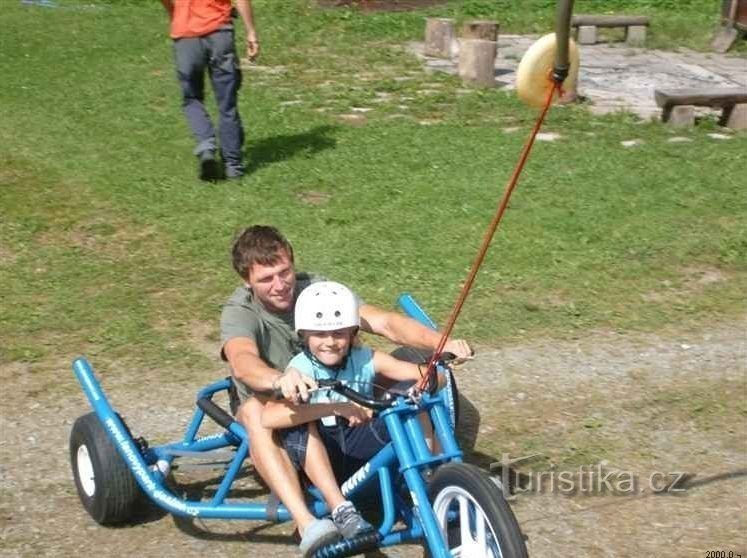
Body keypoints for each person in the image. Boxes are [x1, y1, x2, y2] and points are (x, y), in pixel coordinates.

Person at [220, 225, 472, 556]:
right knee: (256, 411)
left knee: (414, 383)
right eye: (266, 279)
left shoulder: (316, 292)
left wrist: (442, 345)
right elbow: (242, 359)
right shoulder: (241, 310)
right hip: (273, 397)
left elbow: (383, 323)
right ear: (247, 282)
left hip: (338, 382)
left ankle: (433, 479)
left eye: (285, 272)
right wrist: (279, 380)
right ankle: (308, 523)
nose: (280, 285)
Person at [261, 281, 440, 552]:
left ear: (352, 333)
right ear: (305, 335)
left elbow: (418, 373)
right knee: (298, 423)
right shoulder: (298, 369)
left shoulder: (365, 358)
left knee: (414, 405)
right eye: (320, 335)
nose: (330, 342)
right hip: (323, 456)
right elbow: (269, 418)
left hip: (359, 441)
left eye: (339, 333)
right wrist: (336, 408)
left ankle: (433, 477)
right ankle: (341, 509)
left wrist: (433, 372)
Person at [159, 0, 259, 181]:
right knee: (227, 102)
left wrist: (175, 15)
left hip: (185, 35)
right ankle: (233, 166)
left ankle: (206, 148)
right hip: (219, 32)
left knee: (192, 98)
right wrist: (251, 32)